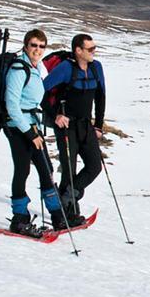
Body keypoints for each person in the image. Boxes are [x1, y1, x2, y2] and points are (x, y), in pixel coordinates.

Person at [3, 29, 68, 236]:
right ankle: (19, 219)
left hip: (33, 125)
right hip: (17, 126)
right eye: (33, 45)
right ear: (25, 46)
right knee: (22, 169)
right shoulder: (18, 69)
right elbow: (12, 106)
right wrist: (29, 133)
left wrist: (53, 114)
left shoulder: (37, 68)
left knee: (45, 168)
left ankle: (57, 216)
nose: (37, 50)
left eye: (41, 46)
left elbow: (38, 99)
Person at [42, 33, 106, 226]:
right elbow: (41, 91)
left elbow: (101, 97)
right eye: (90, 49)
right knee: (69, 170)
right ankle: (65, 215)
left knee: (94, 166)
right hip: (67, 126)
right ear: (78, 50)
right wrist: (55, 116)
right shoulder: (65, 69)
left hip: (86, 125)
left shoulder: (96, 67)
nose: (94, 52)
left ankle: (68, 198)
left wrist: (98, 125)